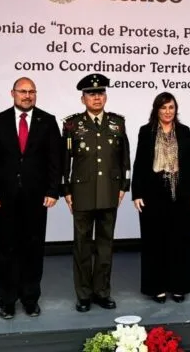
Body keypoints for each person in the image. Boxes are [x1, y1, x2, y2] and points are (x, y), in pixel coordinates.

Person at [0, 77, 62, 318]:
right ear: (12, 93)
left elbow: (55, 159)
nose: (27, 96)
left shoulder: (47, 121)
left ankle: (29, 298)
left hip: (37, 198)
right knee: (6, 249)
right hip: (4, 198)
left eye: (31, 92)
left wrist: (52, 190)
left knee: (33, 248)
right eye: (22, 91)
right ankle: (6, 300)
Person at [62, 73, 131, 312]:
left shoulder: (117, 123)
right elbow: (64, 161)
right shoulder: (72, 124)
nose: (96, 98)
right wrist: (66, 190)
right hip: (81, 192)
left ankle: (102, 292)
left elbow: (125, 159)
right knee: (82, 246)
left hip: (109, 191)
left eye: (100, 93)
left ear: (106, 96)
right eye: (91, 94)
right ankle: (83, 294)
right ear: (83, 99)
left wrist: (124, 186)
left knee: (105, 245)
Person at [132, 92, 190, 303]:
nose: (167, 112)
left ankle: (178, 287)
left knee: (179, 241)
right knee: (154, 242)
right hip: (153, 193)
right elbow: (139, 164)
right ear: (156, 110)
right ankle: (156, 287)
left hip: (180, 192)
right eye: (163, 108)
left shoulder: (185, 131)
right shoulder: (146, 131)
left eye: (171, 107)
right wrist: (137, 193)